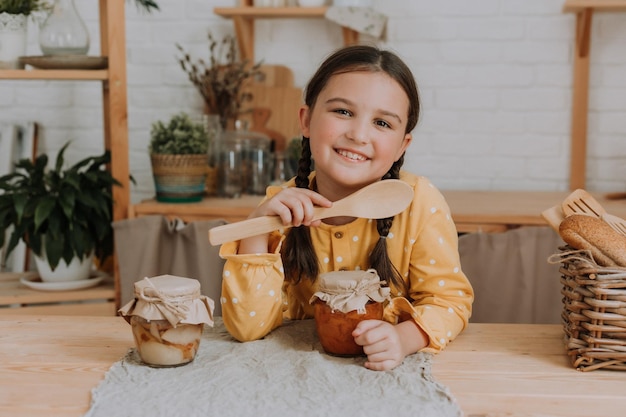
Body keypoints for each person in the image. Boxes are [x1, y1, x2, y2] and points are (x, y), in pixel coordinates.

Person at [219, 44, 474, 371]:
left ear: (402, 146)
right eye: (343, 112)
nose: (358, 134)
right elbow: (247, 328)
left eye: (382, 123)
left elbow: (449, 303)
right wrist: (258, 227)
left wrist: (404, 338)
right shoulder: (279, 207)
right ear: (307, 120)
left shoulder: (419, 203)